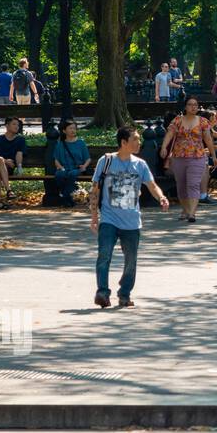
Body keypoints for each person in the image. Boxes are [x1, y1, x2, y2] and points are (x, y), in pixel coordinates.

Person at [89, 125, 171, 308]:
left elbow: (151, 185)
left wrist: (162, 197)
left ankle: (124, 293)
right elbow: (94, 190)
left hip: (132, 221)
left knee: (131, 261)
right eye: (134, 139)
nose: (138, 142)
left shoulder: (140, 164)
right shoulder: (106, 161)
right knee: (104, 255)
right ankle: (102, 293)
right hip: (109, 219)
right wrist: (94, 217)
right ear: (123, 142)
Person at [161, 95, 217, 223]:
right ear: (185, 107)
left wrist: (213, 155)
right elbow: (169, 134)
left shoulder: (203, 121)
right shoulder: (177, 120)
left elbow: (208, 139)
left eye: (195, 105)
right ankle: (186, 209)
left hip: (197, 157)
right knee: (181, 185)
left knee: (193, 184)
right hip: (179, 156)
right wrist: (164, 147)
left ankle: (192, 213)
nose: (193, 107)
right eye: (190, 104)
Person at [0, 116, 26, 209]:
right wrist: (4, 161)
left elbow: (19, 154)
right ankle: (8, 190)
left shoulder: (20, 140)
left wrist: (19, 167)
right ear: (7, 126)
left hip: (7, 169)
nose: (17, 126)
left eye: (18, 125)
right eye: (14, 124)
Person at [52, 118, 92, 207]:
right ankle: (69, 198)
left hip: (76, 168)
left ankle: (65, 199)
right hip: (64, 168)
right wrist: (60, 167)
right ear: (64, 131)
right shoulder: (60, 144)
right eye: (70, 128)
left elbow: (88, 158)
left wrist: (84, 166)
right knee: (59, 175)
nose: (73, 130)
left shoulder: (80, 143)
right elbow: (56, 159)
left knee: (72, 174)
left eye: (74, 128)